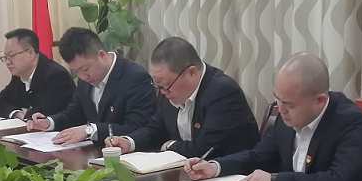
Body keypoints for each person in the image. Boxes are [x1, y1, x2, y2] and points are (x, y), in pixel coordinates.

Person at [185, 53, 362, 181]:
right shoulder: (286, 116)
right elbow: (257, 156)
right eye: (277, 99)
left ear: (320, 101)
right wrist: (215, 167)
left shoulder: (351, 123)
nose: (281, 109)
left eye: (289, 104)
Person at [105, 36, 260, 159]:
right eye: (157, 84)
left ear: (191, 73)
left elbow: (205, 148)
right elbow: (156, 128)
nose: (162, 91)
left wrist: (170, 146)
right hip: (190, 175)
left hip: (231, 179)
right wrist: (129, 141)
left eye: (165, 84)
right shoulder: (169, 90)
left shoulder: (223, 92)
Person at [25, 26, 154, 145]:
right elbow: (75, 113)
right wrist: (49, 122)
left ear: (102, 55)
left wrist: (91, 130)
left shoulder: (135, 77)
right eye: (76, 72)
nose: (83, 76)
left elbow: (136, 127)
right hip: (95, 151)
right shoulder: (86, 80)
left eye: (85, 69)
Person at [0, 28, 75, 120]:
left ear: (31, 53)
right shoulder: (19, 76)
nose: (8, 62)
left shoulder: (57, 76)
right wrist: (18, 114)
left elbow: (43, 114)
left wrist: (26, 114)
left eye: (12, 56)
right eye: (6, 57)